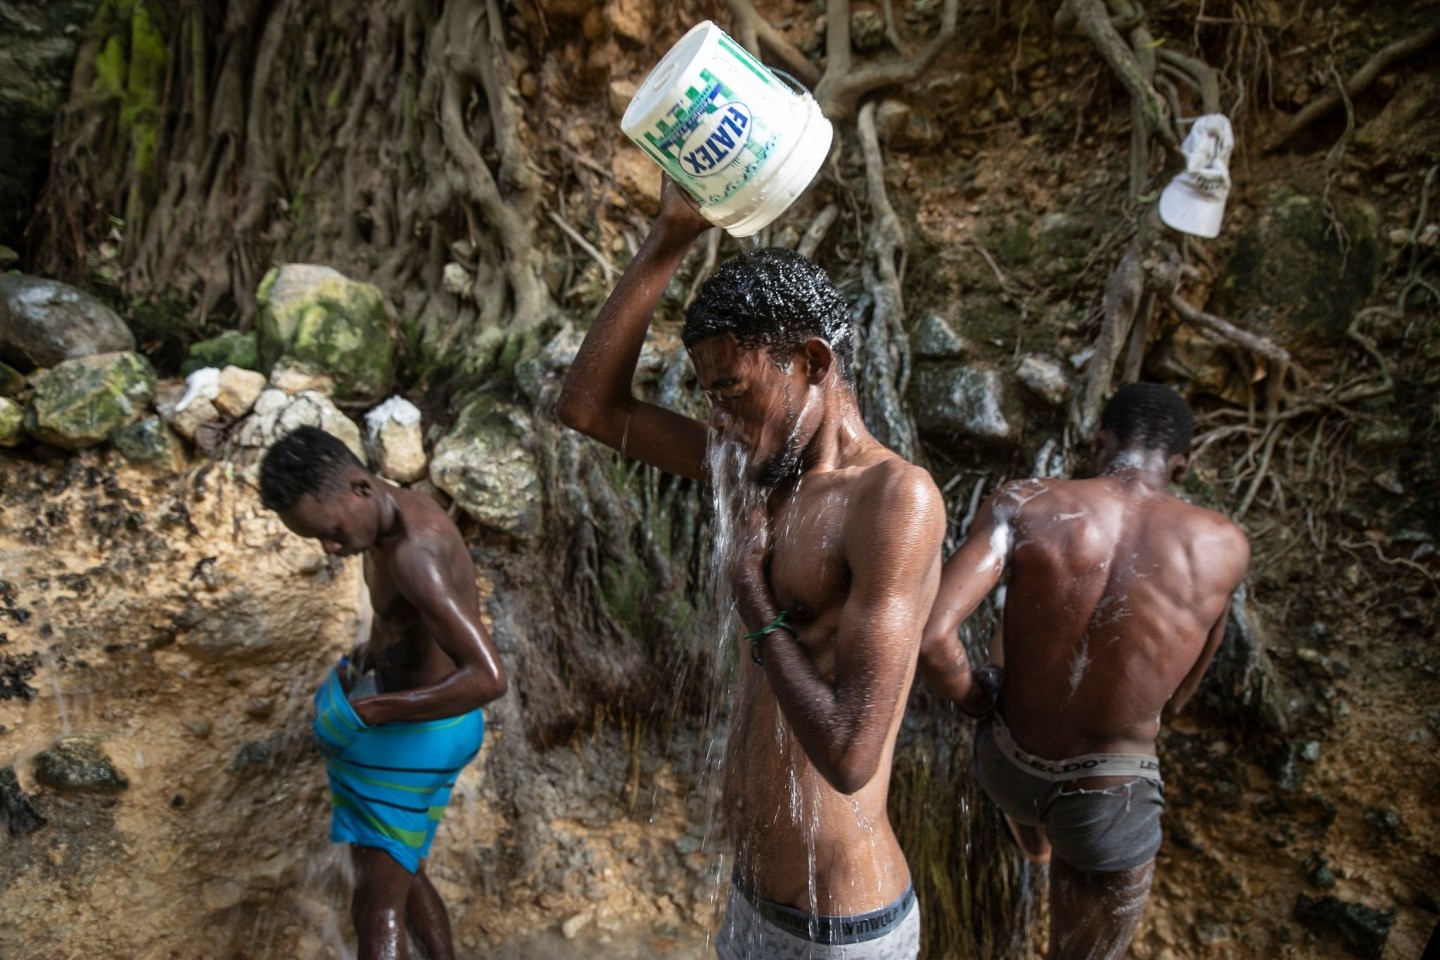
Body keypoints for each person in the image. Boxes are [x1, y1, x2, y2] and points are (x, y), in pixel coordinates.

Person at [557, 180, 945, 959]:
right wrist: (670, 237)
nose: (718, 422)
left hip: (840, 931)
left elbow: (849, 755)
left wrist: (752, 598)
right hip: (755, 908)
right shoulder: (762, 471)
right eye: (708, 398)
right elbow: (589, 410)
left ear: (810, 361)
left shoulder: (893, 500)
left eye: (731, 391)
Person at [919, 382, 1250, 960]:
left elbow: (932, 637)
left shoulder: (1022, 503)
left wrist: (974, 698)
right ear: (1181, 464)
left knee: (1020, 617)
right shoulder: (1224, 544)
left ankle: (1038, 847)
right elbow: (1184, 686)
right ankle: (1062, 850)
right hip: (1107, 793)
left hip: (1006, 763)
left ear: (1100, 441)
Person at [259, 425, 508, 960]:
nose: (329, 548)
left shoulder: (413, 554)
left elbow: (489, 678)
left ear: (359, 488)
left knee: (376, 909)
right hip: (428, 731)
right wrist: (370, 656)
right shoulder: (390, 516)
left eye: (328, 531)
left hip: (418, 737)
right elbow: (404, 620)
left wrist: (372, 709)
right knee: (403, 874)